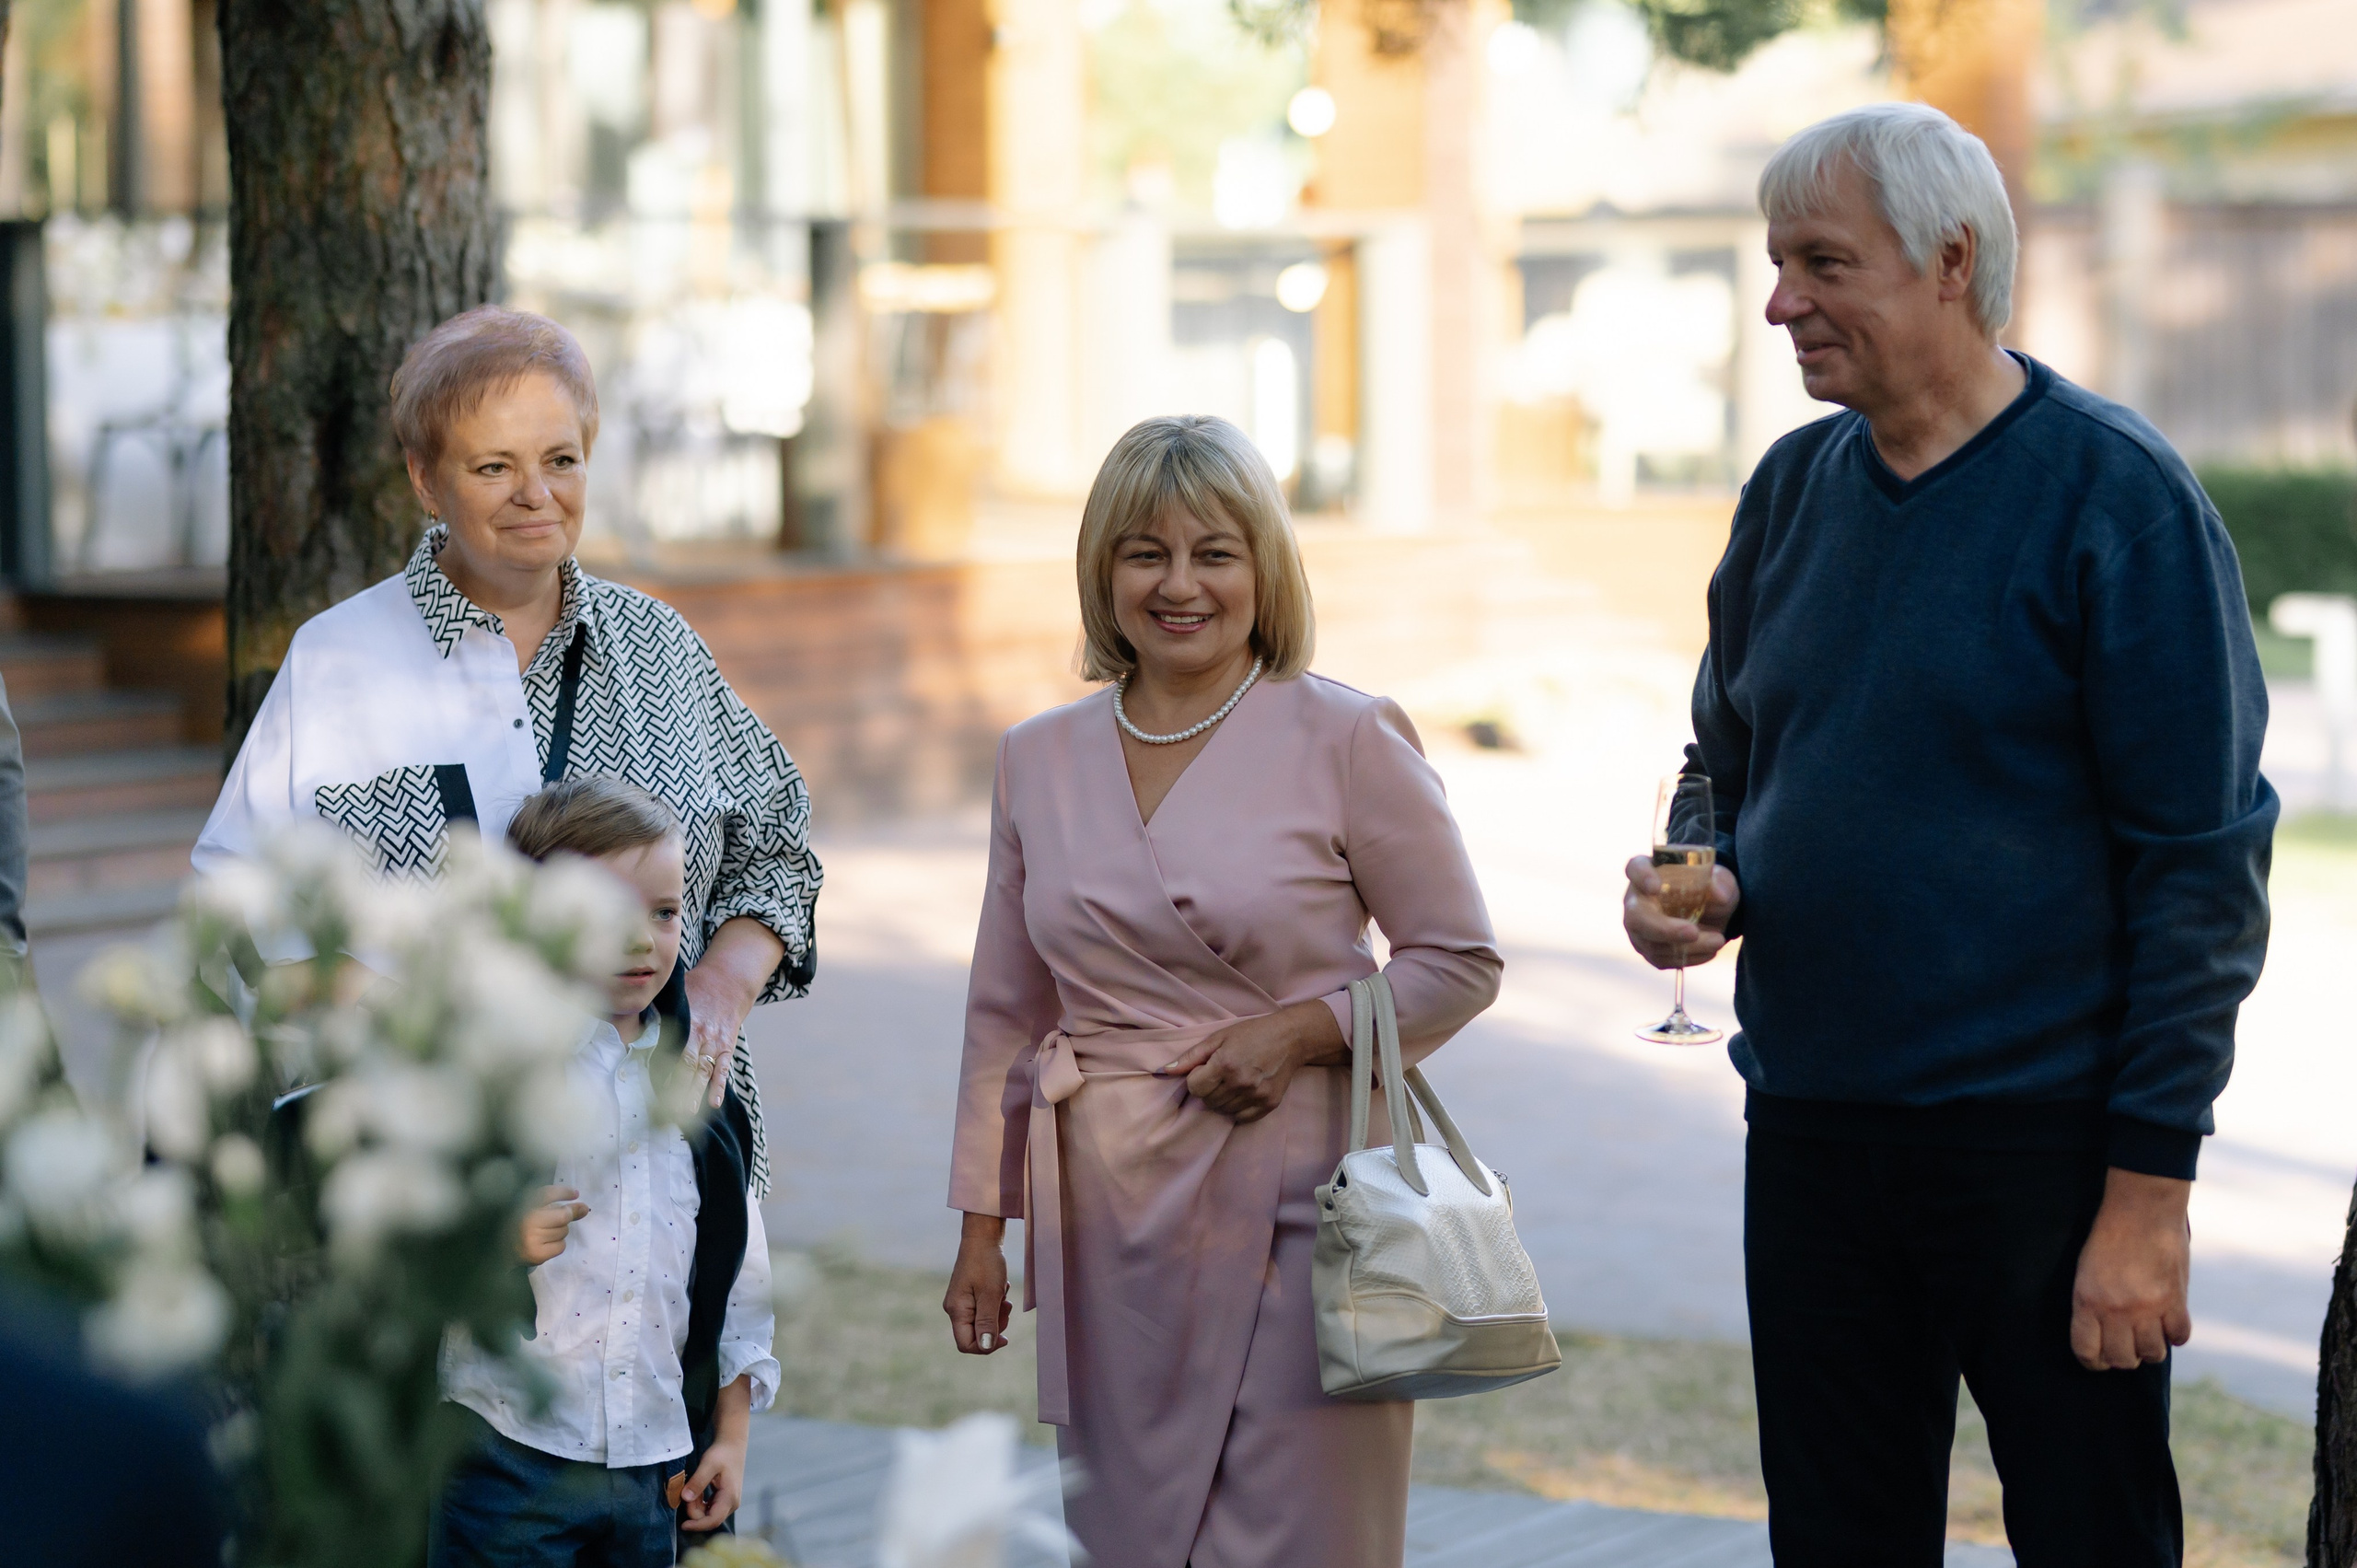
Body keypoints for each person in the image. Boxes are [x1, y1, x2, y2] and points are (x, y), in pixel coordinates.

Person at [1622, 103, 2275, 1564]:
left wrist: (2148, 1197)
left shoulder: (2119, 500)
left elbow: (2204, 874)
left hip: (2044, 1156)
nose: (1781, 302)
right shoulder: (1790, 492)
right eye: (1775, 263)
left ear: (1949, 260)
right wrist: (1696, 872)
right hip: (1810, 1138)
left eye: (1820, 263)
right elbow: (1719, 757)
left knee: (2094, 1538)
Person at [941, 415, 1502, 1568]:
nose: (1180, 583)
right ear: (1104, 569)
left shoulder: (1348, 733)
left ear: (1265, 567)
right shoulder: (1034, 757)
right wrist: (982, 1229)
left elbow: (1459, 960)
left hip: (1310, 1214)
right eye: (1145, 551)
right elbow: (1006, 1011)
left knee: (1304, 1537)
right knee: (1134, 1535)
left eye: (1216, 551)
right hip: (1108, 1221)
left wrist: (1303, 1031)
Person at [194, 306, 821, 1191]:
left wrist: (722, 985)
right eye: (494, 467)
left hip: (664, 1170)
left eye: (560, 460)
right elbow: (237, 900)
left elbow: (779, 848)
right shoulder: (339, 660)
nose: (537, 494)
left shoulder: (663, 647)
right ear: (424, 478)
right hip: (430, 1175)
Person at [433, 775, 778, 1564]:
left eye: (663, 913)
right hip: (508, 1453)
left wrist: (730, 1435)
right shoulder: (495, 1071)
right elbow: (414, 1228)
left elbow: (739, 1273)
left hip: (657, 1463)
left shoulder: (697, 1086)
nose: (643, 941)